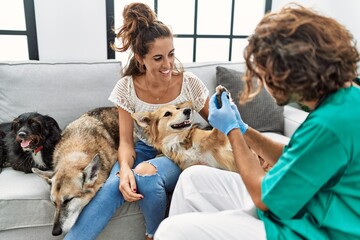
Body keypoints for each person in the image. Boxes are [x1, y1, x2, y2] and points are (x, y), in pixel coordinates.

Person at [154, 4, 360, 240]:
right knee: (192, 179)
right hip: (302, 207)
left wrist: (231, 130)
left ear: (292, 71)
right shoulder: (344, 99)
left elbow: (263, 198)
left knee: (170, 231)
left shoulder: (329, 124)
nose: (262, 82)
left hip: (310, 230)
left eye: (265, 74)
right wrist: (243, 128)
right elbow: (295, 156)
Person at [64, 3, 210, 240]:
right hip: (143, 149)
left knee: (145, 176)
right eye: (158, 58)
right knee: (114, 185)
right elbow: (126, 143)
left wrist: (252, 147)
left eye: (171, 54)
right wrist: (123, 171)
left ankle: (155, 236)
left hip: (177, 150)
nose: (168, 64)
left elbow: (223, 121)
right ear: (141, 59)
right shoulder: (126, 88)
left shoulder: (189, 82)